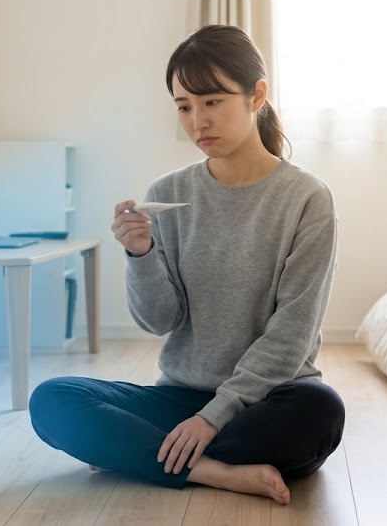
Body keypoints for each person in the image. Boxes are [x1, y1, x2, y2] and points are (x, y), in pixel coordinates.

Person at [28, 25, 344, 505]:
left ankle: (138, 455)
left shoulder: (306, 198)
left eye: (212, 102)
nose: (198, 121)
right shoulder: (167, 195)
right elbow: (159, 320)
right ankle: (213, 471)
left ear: (257, 94)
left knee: (321, 412)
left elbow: (292, 334)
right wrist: (140, 255)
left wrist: (215, 416)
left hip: (269, 398)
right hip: (181, 398)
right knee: (52, 399)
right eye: (184, 107)